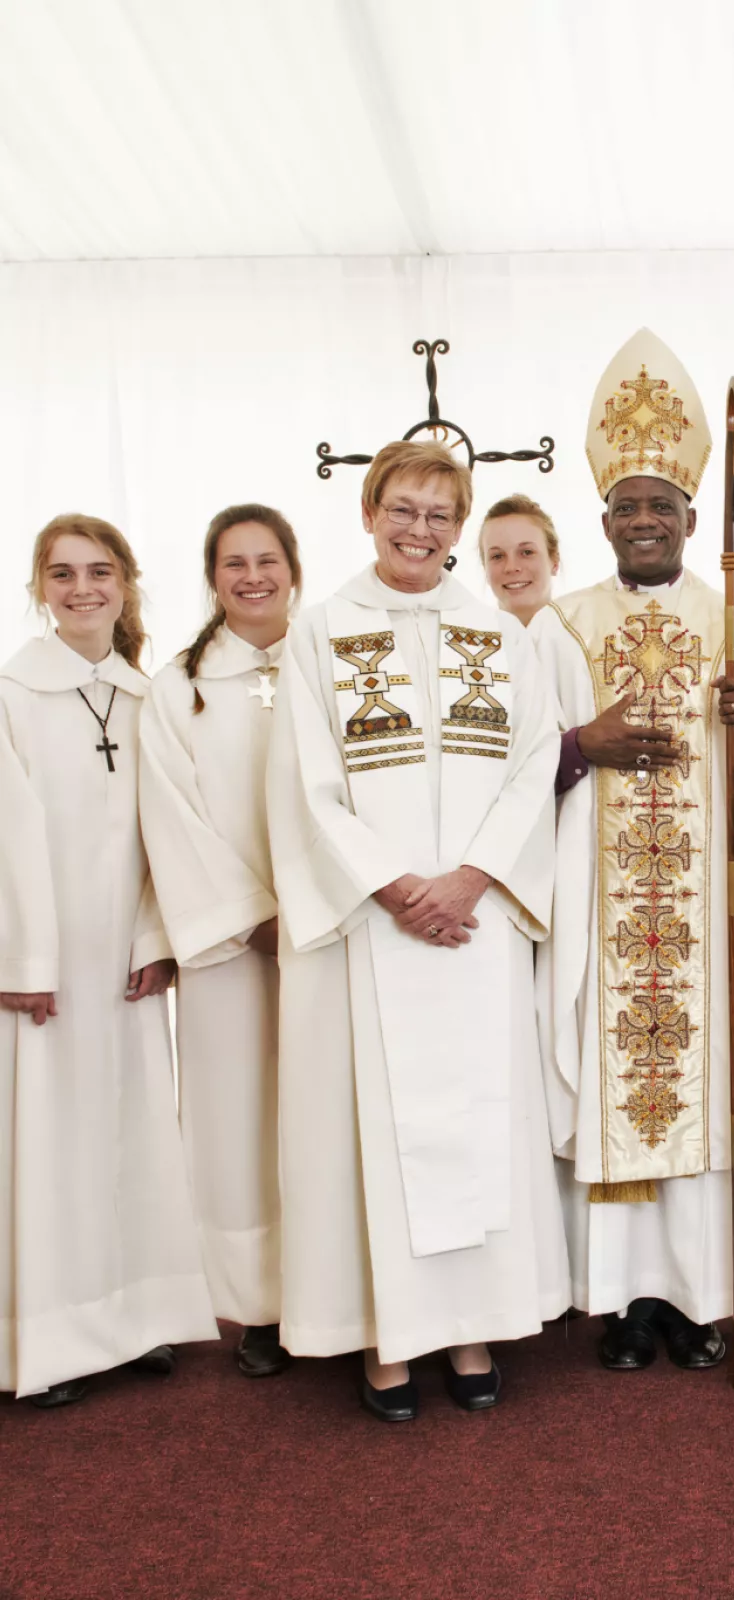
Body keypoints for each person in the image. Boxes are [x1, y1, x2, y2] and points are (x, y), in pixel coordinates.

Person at [266, 440, 569, 1421]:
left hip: (471, 927)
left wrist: (471, 879)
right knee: (373, 1133)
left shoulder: (499, 635)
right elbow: (302, 786)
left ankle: (473, 1325)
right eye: (403, 508)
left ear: (461, 525)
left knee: (478, 1119)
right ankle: (383, 1340)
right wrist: (398, 888)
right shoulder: (321, 632)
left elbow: (535, 767)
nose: (419, 529)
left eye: (441, 514)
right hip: (371, 928)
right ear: (369, 511)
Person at [531, 328, 734, 1372]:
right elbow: (516, 764)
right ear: (602, 520)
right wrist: (577, 744)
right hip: (606, 912)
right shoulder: (557, 629)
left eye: (663, 506)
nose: (645, 521)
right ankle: (623, 1305)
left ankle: (700, 1300)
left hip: (706, 923)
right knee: (619, 1081)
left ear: (695, 518)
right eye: (628, 506)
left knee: (707, 1084)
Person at [0, 515, 216, 1407]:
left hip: (126, 955)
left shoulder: (149, 694)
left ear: (127, 582)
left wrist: (157, 938)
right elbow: (6, 835)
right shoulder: (13, 689)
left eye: (99, 572)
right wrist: (26, 956)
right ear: (39, 589)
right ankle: (50, 1340)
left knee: (130, 1133)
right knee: (51, 1141)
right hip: (45, 958)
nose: (82, 589)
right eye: (62, 574)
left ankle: (136, 1319)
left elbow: (167, 826)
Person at [140, 504, 303, 1379]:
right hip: (233, 945)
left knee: (322, 1111)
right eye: (234, 563)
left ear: (293, 568)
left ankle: (333, 1288)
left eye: (267, 560)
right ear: (212, 576)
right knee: (239, 1119)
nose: (252, 577)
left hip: (328, 931)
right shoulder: (178, 687)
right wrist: (253, 916)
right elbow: (172, 816)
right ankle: (262, 1310)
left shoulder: (329, 661)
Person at [481, 495, 561, 625]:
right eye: (497, 556)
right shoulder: (459, 642)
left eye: (527, 552)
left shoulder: (590, 640)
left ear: (554, 561)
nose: (511, 567)